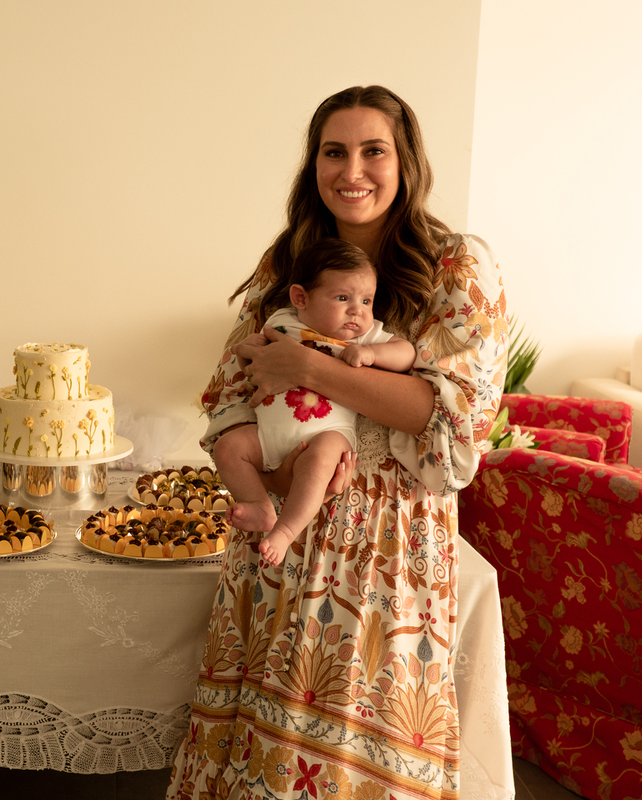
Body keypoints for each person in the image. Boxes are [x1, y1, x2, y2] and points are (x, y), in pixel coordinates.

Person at [169, 86, 506, 800]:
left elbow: (451, 422)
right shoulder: (288, 263)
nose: (352, 170)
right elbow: (230, 388)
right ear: (313, 164)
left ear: (405, 160)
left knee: (354, 756)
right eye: (334, 151)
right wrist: (273, 464)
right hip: (281, 535)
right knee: (263, 755)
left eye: (372, 150)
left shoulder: (456, 268)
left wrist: (312, 369)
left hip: (387, 548)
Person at [218, 237, 415, 568]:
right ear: (301, 298)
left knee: (322, 460)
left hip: (328, 432)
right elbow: (254, 368)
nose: (358, 310)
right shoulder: (281, 323)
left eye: (367, 300)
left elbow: (406, 352)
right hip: (267, 433)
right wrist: (250, 352)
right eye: (343, 298)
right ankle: (258, 504)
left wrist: (371, 353)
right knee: (228, 447)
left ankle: (285, 530)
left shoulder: (360, 337)